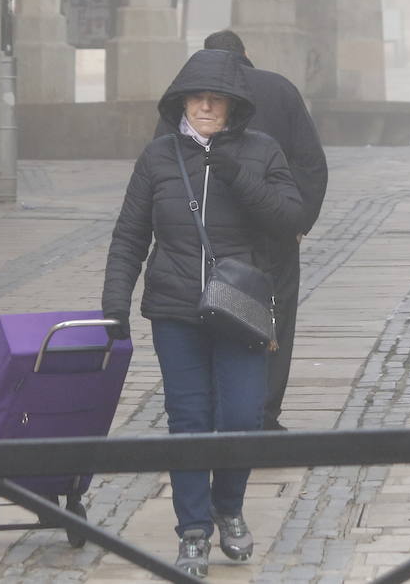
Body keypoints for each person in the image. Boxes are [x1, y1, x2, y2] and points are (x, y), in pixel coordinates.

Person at [104, 48, 303, 578]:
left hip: (239, 308)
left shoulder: (261, 151)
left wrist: (236, 171)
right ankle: (193, 530)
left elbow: (290, 218)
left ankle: (228, 506)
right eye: (198, 97)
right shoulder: (159, 157)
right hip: (175, 308)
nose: (207, 106)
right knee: (189, 419)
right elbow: (129, 235)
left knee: (241, 417)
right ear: (181, 102)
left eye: (217, 99)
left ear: (235, 106)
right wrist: (114, 304)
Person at [156, 29, 328, 432]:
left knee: (209, 317)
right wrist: (300, 223)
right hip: (274, 233)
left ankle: (218, 409)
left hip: (206, 238)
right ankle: (262, 414)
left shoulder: (190, 94)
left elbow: (164, 163)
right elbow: (311, 164)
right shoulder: (280, 89)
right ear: (246, 54)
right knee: (273, 319)